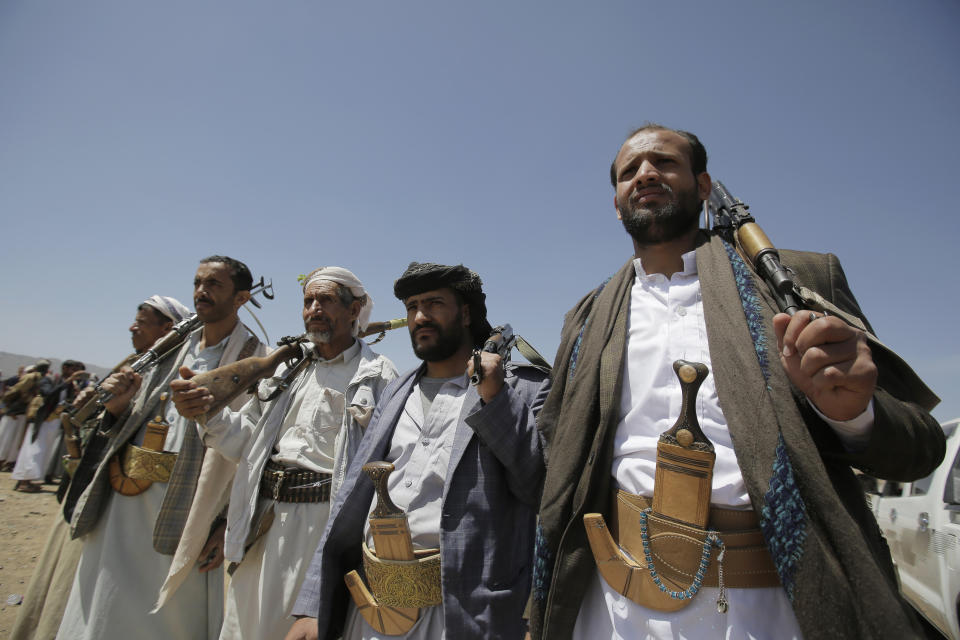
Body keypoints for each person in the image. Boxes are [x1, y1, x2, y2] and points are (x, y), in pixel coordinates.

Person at [529, 124, 945, 640]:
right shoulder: (588, 318)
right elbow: (560, 464)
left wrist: (853, 414)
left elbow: (918, 449)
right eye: (628, 171)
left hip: (770, 608)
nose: (645, 174)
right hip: (611, 606)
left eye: (664, 162)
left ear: (703, 187)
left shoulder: (795, 282)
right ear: (616, 204)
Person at [287, 262, 550, 640]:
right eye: (412, 307)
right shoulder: (396, 390)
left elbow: (538, 488)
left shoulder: (524, 390)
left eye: (434, 304)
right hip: (371, 609)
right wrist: (313, 606)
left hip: (464, 616)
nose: (420, 317)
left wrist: (495, 400)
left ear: (465, 313)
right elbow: (351, 501)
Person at [162, 266, 398, 640]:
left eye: (326, 300)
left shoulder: (380, 376)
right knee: (244, 626)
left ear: (355, 311)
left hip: (321, 529)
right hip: (263, 519)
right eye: (308, 301)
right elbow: (245, 442)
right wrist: (207, 413)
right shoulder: (287, 367)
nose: (314, 309)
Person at [57, 257, 266, 640]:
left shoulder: (255, 360)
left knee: (167, 617)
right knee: (103, 602)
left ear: (241, 298)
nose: (201, 291)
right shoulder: (169, 348)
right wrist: (118, 407)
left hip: (188, 510)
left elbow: (255, 450)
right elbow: (130, 417)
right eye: (198, 282)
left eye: (214, 284)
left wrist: (224, 524)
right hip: (122, 503)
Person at [9, 296, 190, 640]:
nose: (131, 327)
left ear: (168, 329)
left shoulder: (170, 376)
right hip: (88, 488)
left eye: (142, 321)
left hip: (119, 501)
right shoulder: (133, 364)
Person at [13, 359, 86, 492]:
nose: (74, 373)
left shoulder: (69, 384)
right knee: (33, 449)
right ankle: (23, 481)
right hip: (43, 420)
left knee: (43, 451)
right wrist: (69, 381)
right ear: (65, 368)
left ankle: (29, 480)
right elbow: (48, 393)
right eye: (73, 370)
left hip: (54, 421)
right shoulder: (49, 379)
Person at [0, 362, 48, 469]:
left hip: (20, 412)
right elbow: (16, 391)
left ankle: (8, 462)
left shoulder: (35, 378)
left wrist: (6, 404)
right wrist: (7, 406)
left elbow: (15, 390)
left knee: (10, 438)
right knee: (10, 438)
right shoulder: (38, 378)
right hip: (17, 411)